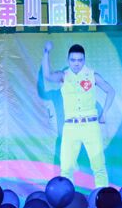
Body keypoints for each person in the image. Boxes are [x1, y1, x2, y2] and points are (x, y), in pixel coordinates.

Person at [42, 41, 115, 188]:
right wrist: (46, 52)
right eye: (73, 60)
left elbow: (111, 91)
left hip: (90, 125)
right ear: (68, 60)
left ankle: (102, 199)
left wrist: (104, 113)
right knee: (66, 169)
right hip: (71, 127)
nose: (76, 63)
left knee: (99, 167)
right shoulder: (64, 76)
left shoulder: (92, 75)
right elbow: (48, 75)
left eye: (80, 60)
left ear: (84, 60)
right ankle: (66, 199)